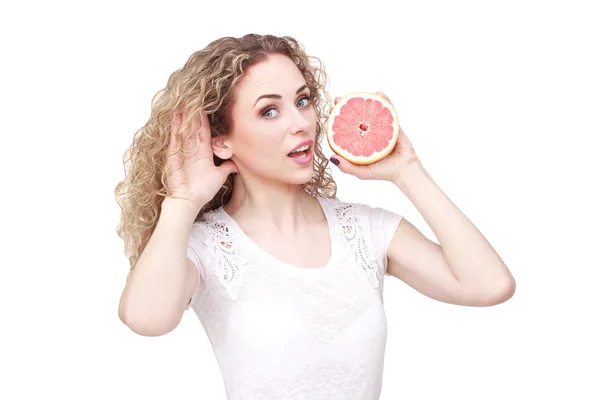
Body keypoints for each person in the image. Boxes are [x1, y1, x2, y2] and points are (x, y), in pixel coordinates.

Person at [114, 33, 516, 400]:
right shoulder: (206, 246)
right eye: (270, 111)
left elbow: (489, 286)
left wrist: (407, 171)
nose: (301, 123)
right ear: (220, 141)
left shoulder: (365, 230)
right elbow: (147, 319)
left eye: (302, 101)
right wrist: (182, 201)